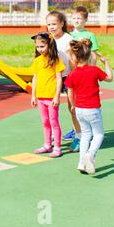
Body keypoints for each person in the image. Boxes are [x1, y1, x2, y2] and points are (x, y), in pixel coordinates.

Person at [65, 39, 113, 174]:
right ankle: (90, 155)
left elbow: (69, 92)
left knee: (85, 135)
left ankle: (81, 163)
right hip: (93, 109)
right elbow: (109, 78)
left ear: (75, 58)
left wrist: (73, 105)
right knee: (99, 134)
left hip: (79, 109)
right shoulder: (94, 70)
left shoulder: (73, 74)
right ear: (89, 56)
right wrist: (106, 63)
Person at [46, 11, 81, 151]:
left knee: (72, 108)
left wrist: (75, 77)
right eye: (49, 24)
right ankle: (54, 135)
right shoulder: (48, 39)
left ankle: (79, 136)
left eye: (54, 24)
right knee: (51, 109)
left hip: (68, 77)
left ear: (62, 24)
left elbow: (74, 60)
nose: (51, 27)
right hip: (53, 78)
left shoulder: (68, 39)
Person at [30, 32, 66, 158]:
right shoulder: (37, 61)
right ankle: (47, 145)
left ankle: (57, 147)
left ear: (49, 45)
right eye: (38, 47)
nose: (40, 49)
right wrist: (33, 95)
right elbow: (35, 78)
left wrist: (57, 96)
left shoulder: (56, 60)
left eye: (42, 46)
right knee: (45, 122)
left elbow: (59, 79)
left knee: (54, 122)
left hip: (51, 98)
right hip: (40, 98)